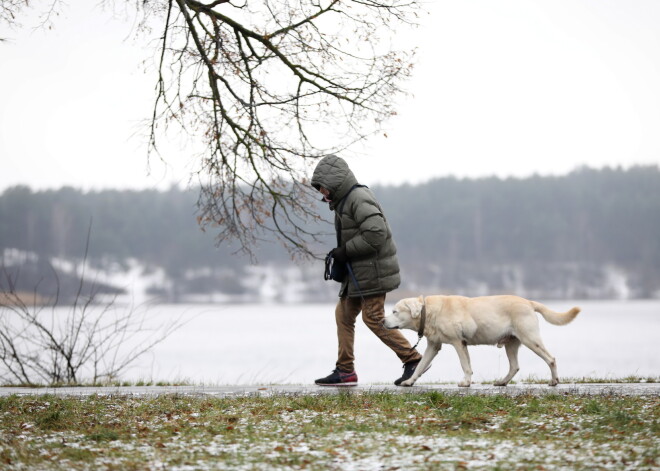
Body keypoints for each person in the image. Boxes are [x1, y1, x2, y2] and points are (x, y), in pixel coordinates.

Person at [310, 154, 423, 386]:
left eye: (323, 187)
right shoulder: (343, 202)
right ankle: (345, 371)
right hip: (358, 273)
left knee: (372, 318)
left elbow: (376, 234)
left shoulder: (358, 197)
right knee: (343, 314)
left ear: (334, 182)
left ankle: (413, 359)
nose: (322, 192)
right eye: (319, 188)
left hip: (373, 272)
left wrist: (346, 251)